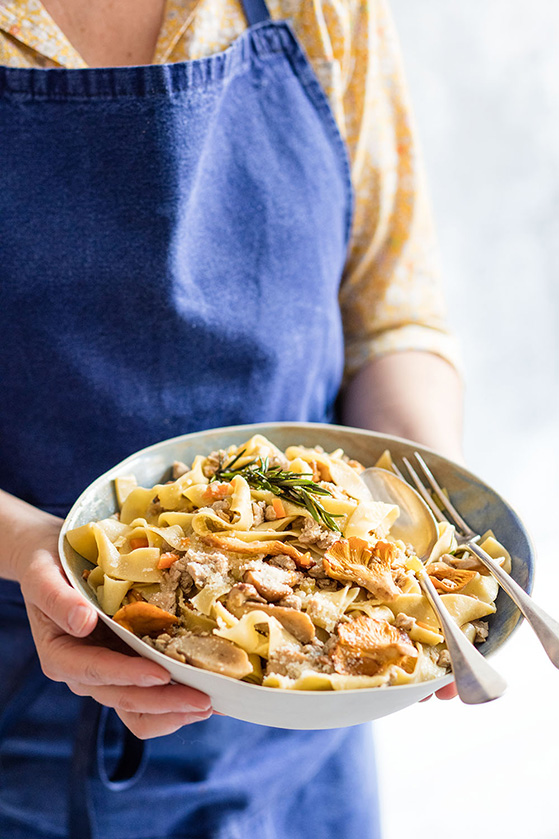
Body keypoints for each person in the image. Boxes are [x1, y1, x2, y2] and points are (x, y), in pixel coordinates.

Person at [0, 0, 462, 836]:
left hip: (311, 756)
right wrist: (27, 541)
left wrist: (421, 531)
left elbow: (391, 315)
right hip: (25, 725)